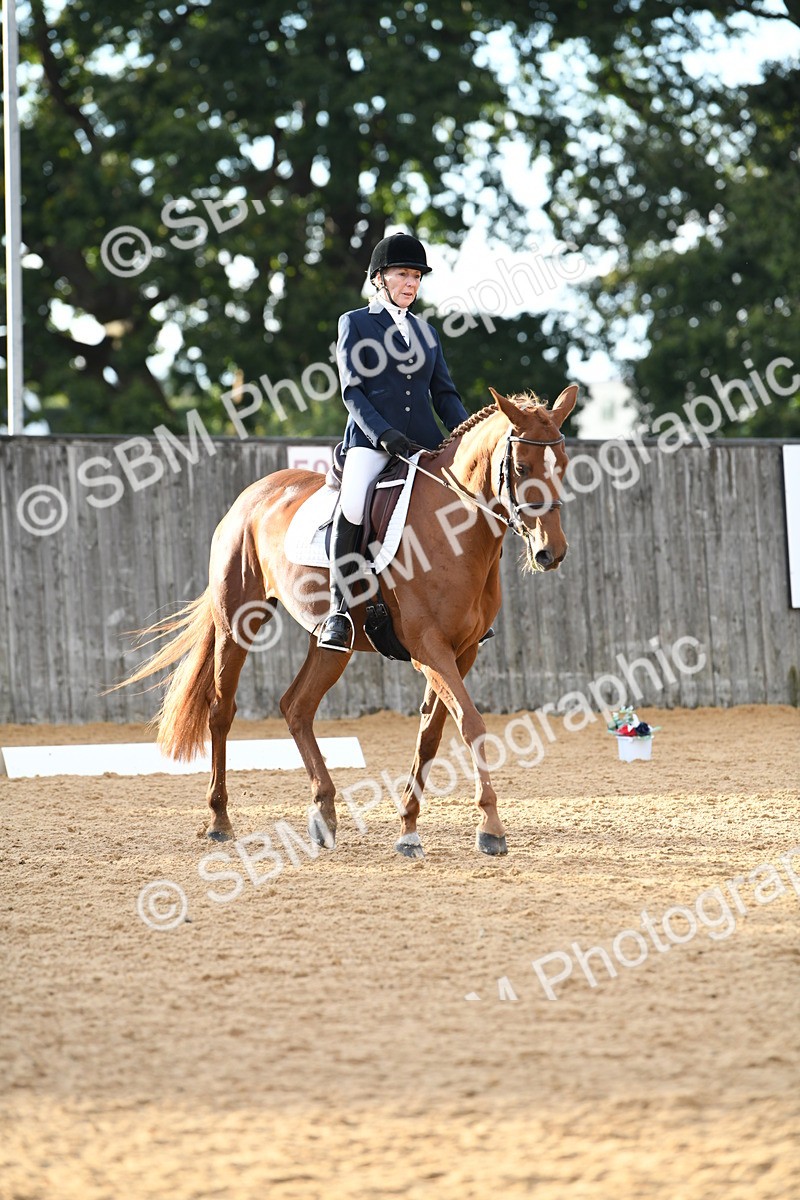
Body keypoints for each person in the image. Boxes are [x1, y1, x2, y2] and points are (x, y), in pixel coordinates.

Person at [317, 232, 469, 651]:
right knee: (352, 502)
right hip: (371, 441)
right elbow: (353, 391)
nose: (412, 283)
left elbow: (445, 394)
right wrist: (383, 436)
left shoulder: (426, 332)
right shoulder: (356, 322)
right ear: (380, 278)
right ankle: (339, 611)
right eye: (403, 274)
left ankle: (459, 605)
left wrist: (465, 434)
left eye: (417, 276)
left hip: (423, 442)